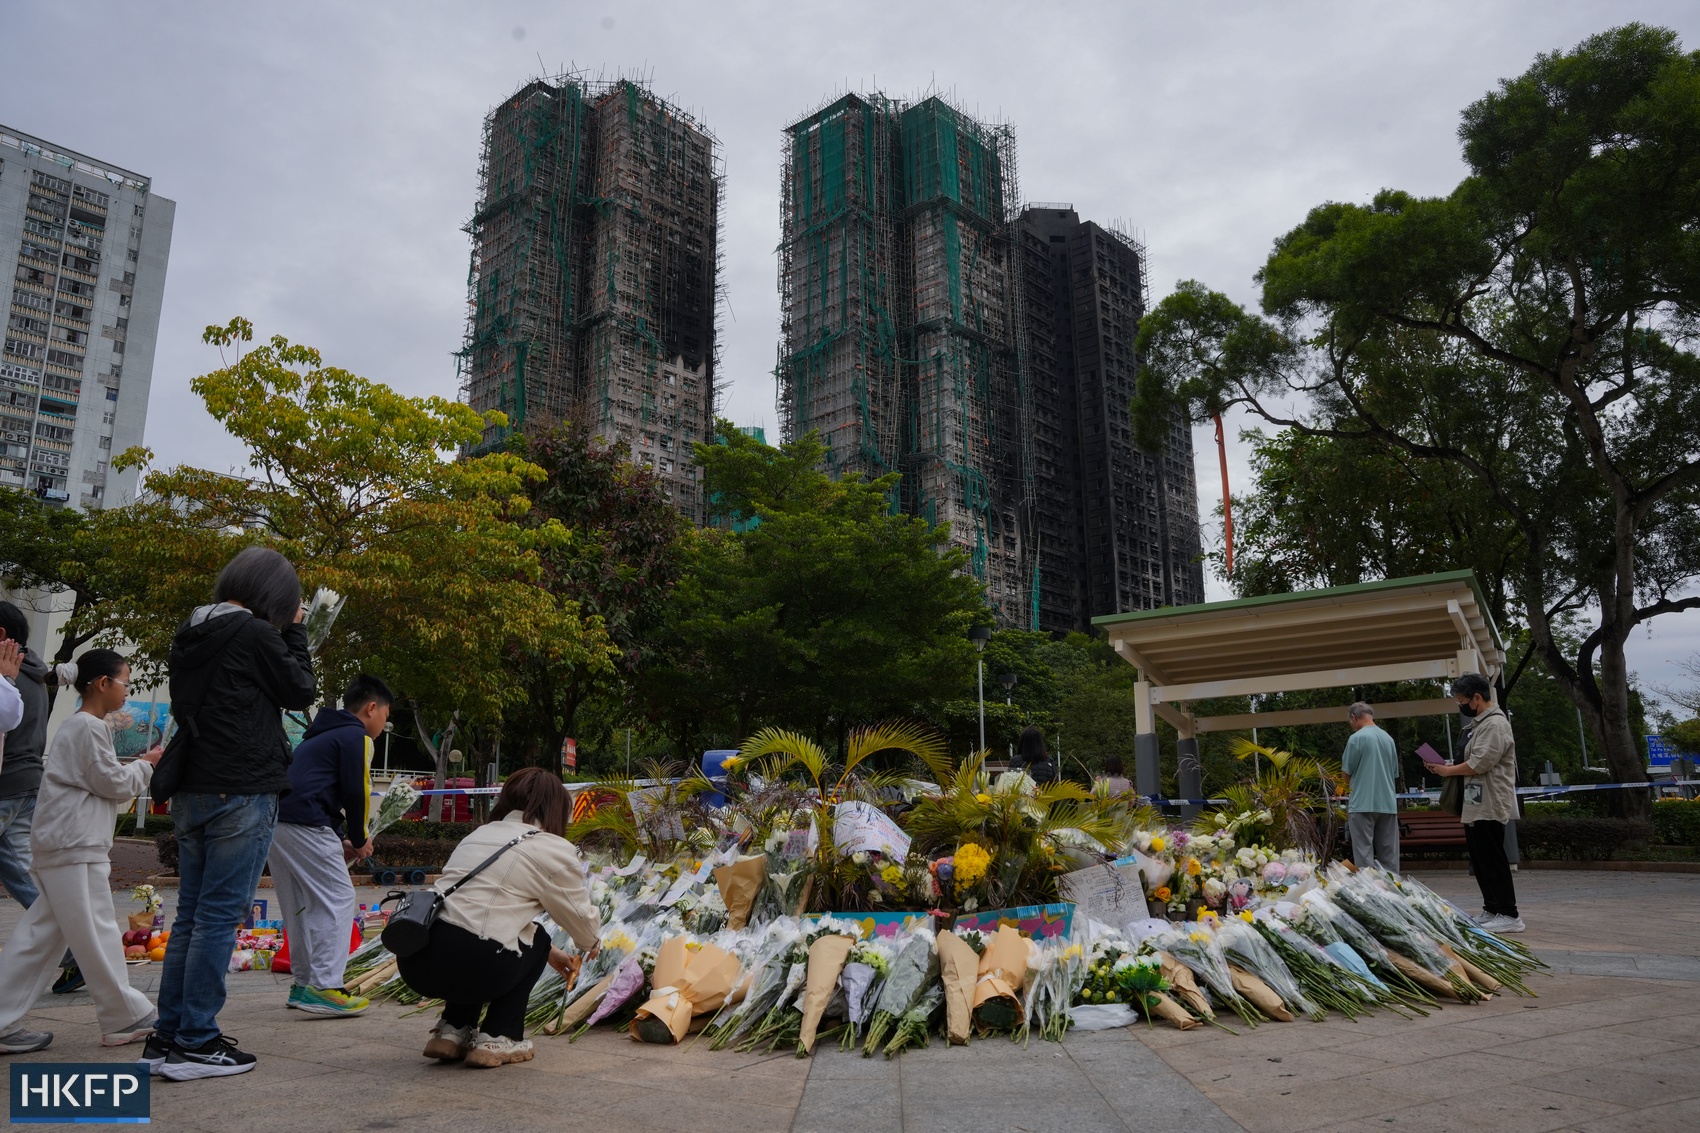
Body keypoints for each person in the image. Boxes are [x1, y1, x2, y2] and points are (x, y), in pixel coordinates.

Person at [143, 547, 317, 1081]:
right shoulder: (254, 633)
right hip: (241, 788)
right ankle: (197, 1041)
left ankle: (168, 1037)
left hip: (193, 788)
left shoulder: (190, 633)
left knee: (193, 916)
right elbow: (301, 690)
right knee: (218, 918)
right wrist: (295, 630)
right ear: (276, 596)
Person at [0, 650, 161, 1055]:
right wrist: (147, 764)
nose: (127, 689)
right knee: (96, 929)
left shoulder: (83, 727)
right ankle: (125, 1016)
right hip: (74, 845)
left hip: (65, 842)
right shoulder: (87, 727)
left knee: (40, 938)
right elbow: (112, 783)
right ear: (102, 683)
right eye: (124, 680)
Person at [397, 767, 601, 1069]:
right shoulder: (552, 847)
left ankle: (452, 1030)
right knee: (536, 938)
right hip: (477, 964)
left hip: (417, 957)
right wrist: (592, 943)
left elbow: (472, 913)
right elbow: (581, 919)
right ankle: (499, 1035)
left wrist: (549, 955)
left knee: (472, 936)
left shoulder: (478, 834)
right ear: (558, 808)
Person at [270, 674, 392, 1017]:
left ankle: (304, 984)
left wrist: (341, 837)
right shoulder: (356, 737)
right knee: (338, 898)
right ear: (371, 708)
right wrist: (360, 837)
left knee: (300, 905)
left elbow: (315, 785)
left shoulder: (321, 736)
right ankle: (325, 987)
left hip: (279, 821)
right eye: (386, 714)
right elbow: (357, 791)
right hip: (306, 822)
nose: (385, 722)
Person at [1431, 673, 1522, 933]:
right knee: (1480, 860)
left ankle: (1510, 913)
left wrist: (1446, 771)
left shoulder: (1495, 724)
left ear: (1477, 698)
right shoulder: (1479, 724)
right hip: (1475, 803)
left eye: (1462, 701)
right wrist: (1446, 766)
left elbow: (1479, 763)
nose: (1461, 706)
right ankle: (1492, 908)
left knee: (1493, 859)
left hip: (1490, 802)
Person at [0, 603, 51, 913]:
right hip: (27, 780)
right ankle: (75, 946)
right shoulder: (35, 668)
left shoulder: (9, 674)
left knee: (22, 871)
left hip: (7, 783)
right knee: (20, 871)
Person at [1341, 702, 1400, 874]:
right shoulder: (1388, 739)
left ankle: (1370, 894)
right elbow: (1394, 772)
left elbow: (1346, 772)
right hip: (1387, 804)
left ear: (1353, 717)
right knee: (1389, 855)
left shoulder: (1356, 738)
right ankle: (1393, 891)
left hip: (1362, 803)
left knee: (1364, 855)